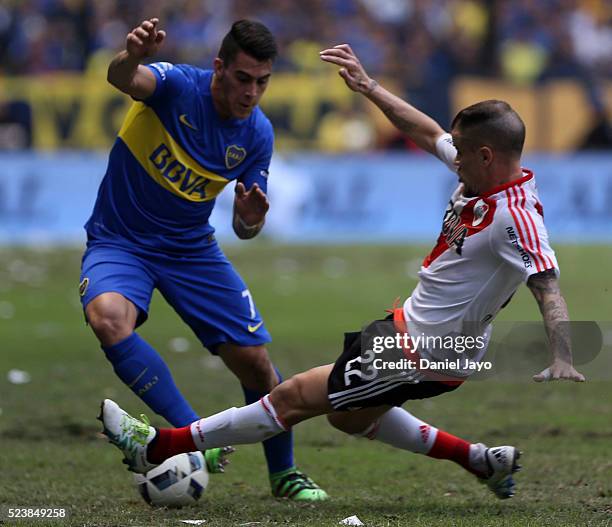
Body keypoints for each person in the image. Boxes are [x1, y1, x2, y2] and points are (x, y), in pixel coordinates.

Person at [98, 44, 586, 501]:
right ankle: (480, 460)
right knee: (348, 419)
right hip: (439, 343)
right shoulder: (483, 174)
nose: (450, 157)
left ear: (485, 156)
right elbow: (423, 130)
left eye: (459, 151)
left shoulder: (516, 215)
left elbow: (546, 285)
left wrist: (563, 355)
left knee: (291, 398)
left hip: (421, 348)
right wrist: (368, 86)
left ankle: (160, 446)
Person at [79, 17, 327, 501]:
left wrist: (251, 218)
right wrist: (131, 55)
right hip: (121, 242)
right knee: (108, 318)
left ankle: (285, 475)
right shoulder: (176, 87)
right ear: (218, 68)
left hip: (191, 250)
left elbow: (244, 229)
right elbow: (123, 79)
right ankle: (194, 434)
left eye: (262, 82)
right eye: (243, 79)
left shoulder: (257, 135)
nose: (252, 92)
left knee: (256, 366)